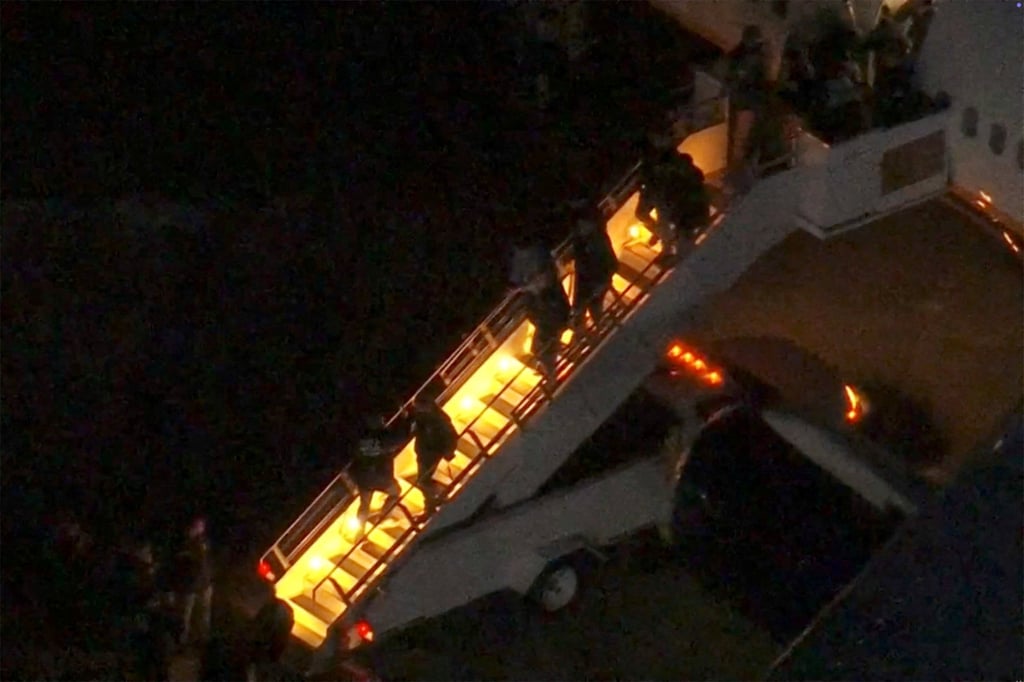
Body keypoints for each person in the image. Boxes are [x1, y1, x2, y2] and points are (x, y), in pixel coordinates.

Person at [509, 241, 570, 387]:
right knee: (537, 348)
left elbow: (545, 279)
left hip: (554, 313)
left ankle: (552, 376)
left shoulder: (538, 254)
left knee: (541, 347)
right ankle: (551, 371)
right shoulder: (525, 260)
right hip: (547, 316)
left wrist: (523, 288)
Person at [348, 416, 407, 539]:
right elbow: (398, 440)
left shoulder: (362, 440)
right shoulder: (383, 438)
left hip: (364, 478)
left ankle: (360, 531)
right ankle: (384, 515)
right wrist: (405, 420)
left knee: (364, 505)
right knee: (396, 492)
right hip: (382, 477)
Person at [724, 25, 770, 179]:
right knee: (741, 139)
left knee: (744, 138)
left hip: (748, 102)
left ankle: (739, 167)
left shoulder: (738, 58)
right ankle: (737, 169)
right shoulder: (744, 60)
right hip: (746, 103)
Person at [569, 201, 617, 333]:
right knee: (581, 308)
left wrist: (602, 281)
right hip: (589, 280)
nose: (582, 229)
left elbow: (610, 263)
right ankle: (590, 331)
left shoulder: (598, 241)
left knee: (592, 305)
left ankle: (601, 328)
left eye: (583, 226)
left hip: (598, 278)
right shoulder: (582, 244)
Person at [409, 395, 458, 512]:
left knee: (423, 481)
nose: (418, 409)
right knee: (423, 480)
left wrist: (449, 449)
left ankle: (442, 495)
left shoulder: (439, 419)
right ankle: (430, 503)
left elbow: (451, 434)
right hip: (424, 452)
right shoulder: (422, 417)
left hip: (432, 452)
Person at [176, 515, 213, 649]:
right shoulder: (184, 543)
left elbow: (204, 561)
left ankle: (202, 643)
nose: (199, 529)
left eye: (201, 526)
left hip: (203, 585)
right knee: (184, 617)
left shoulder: (203, 543)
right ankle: (181, 643)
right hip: (189, 586)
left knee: (203, 616)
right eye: (197, 526)